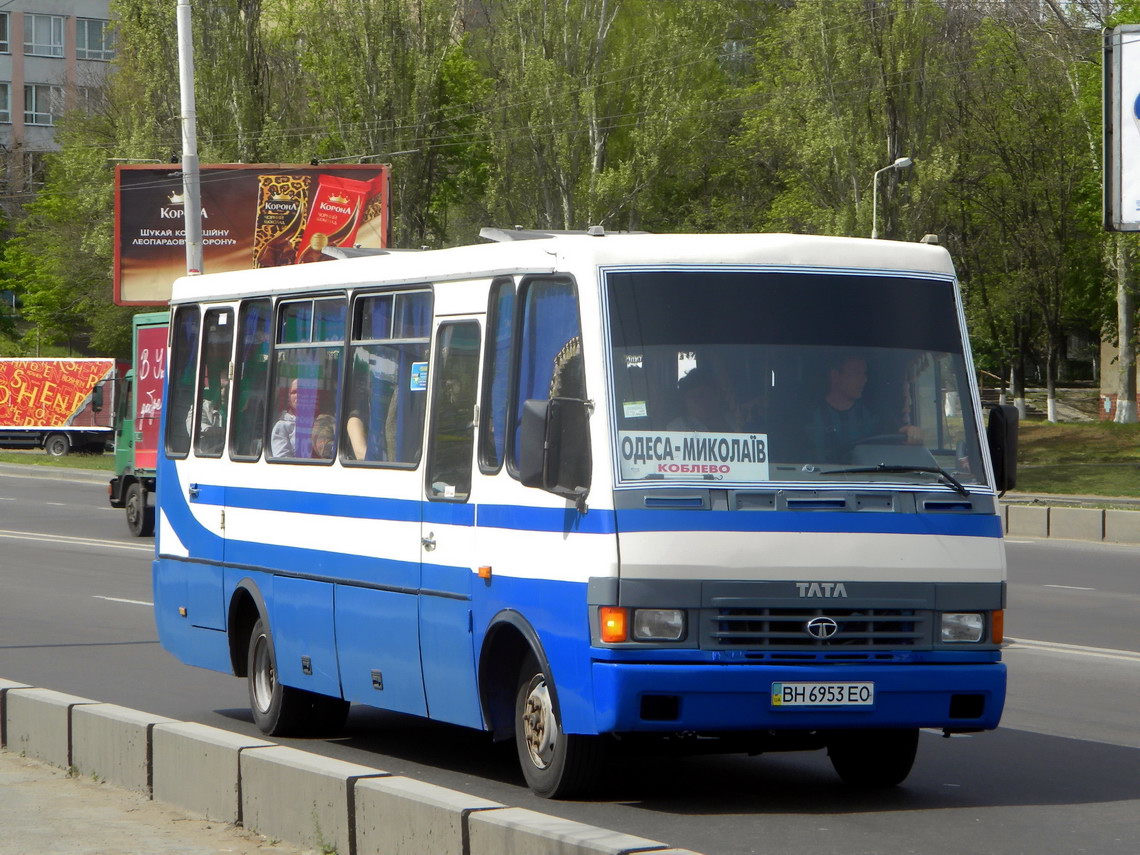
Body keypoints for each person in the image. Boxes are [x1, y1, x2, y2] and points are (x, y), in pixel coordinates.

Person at [805, 354, 921, 462]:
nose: (864, 379)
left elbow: (898, 439)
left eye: (864, 373)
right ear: (835, 375)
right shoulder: (807, 416)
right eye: (856, 373)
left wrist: (912, 434)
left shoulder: (877, 414)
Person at [667, 367, 742, 432]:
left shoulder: (734, 421)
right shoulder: (678, 427)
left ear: (717, 396)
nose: (697, 400)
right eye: (692, 396)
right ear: (685, 401)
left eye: (702, 394)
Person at [270, 378, 298, 457]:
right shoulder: (282, 426)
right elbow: (282, 461)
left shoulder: (320, 422)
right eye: (294, 392)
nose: (298, 395)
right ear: (289, 398)